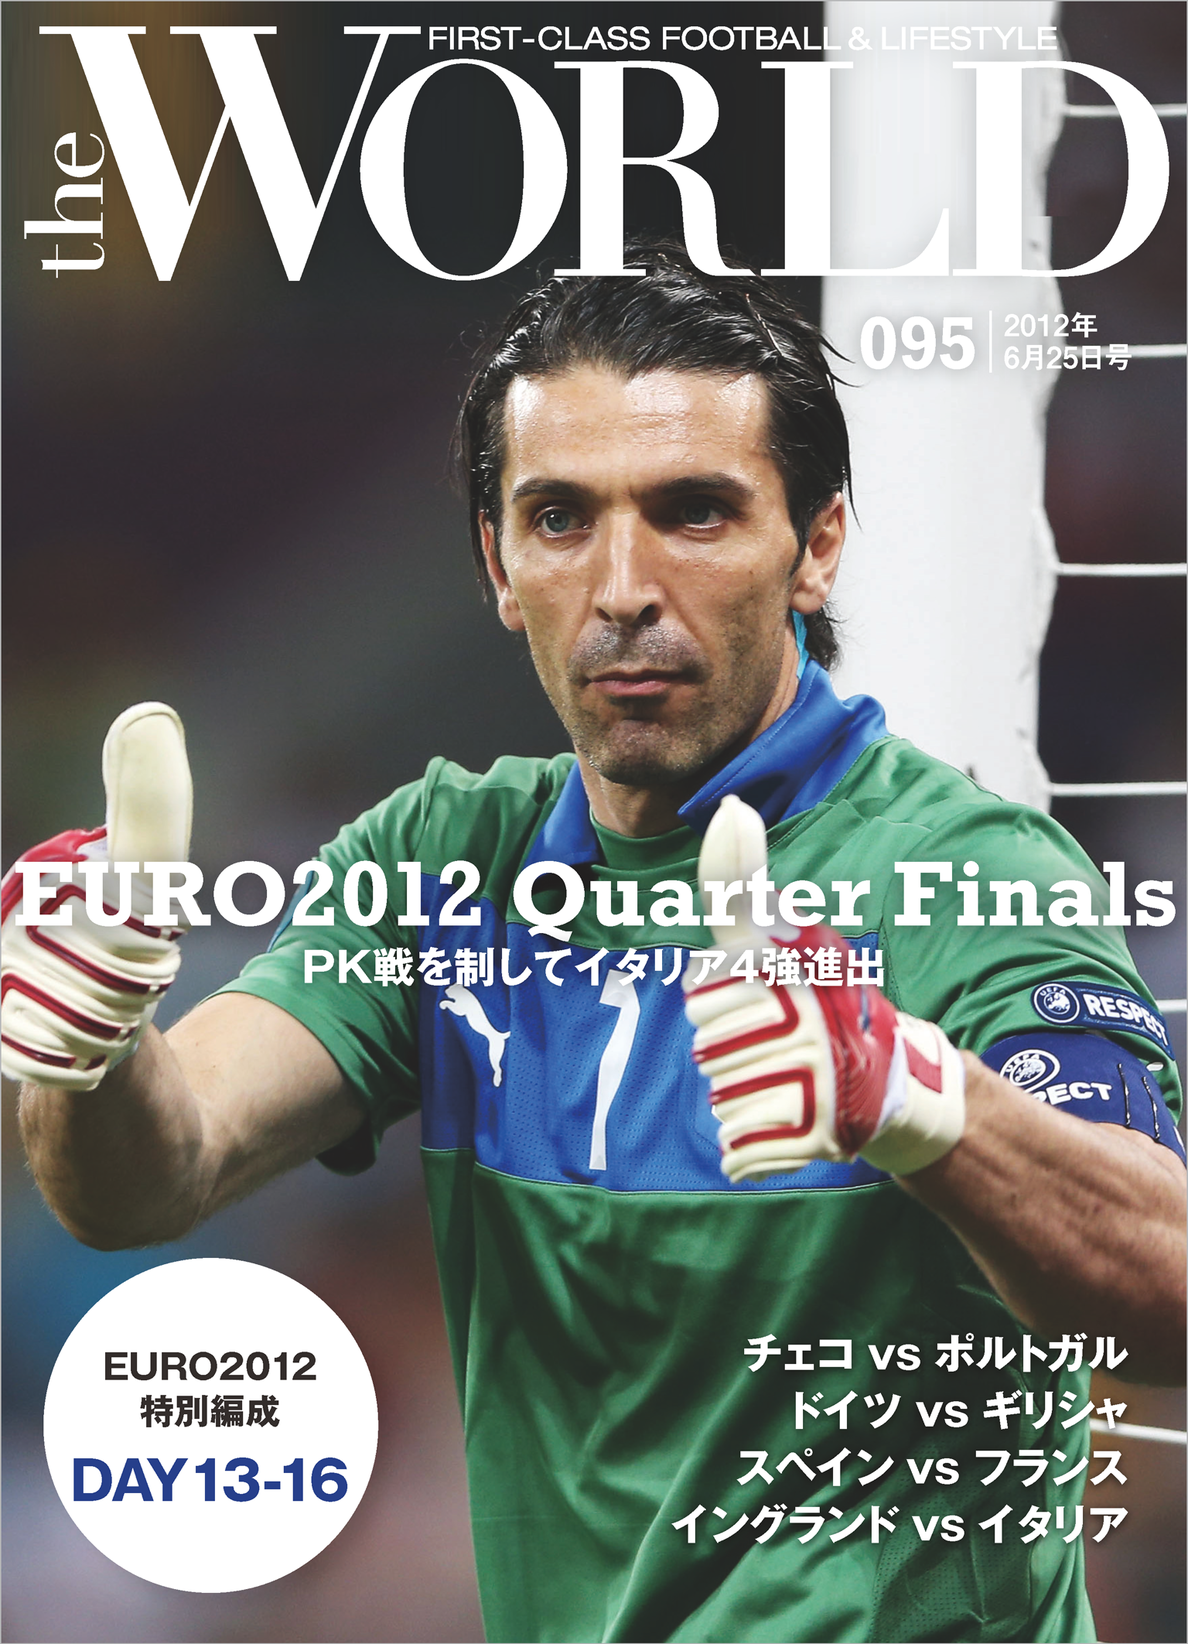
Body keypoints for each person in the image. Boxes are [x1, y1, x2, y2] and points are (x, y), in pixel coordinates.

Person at [6, 246, 1184, 1644]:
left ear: (816, 547)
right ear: (499, 567)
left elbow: (1168, 1288)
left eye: (694, 511)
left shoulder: (966, 874)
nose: (623, 585)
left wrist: (915, 1096)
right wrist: (89, 1048)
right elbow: (156, 1169)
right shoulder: (440, 865)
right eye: (561, 518)